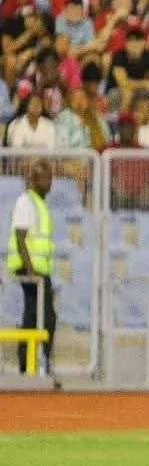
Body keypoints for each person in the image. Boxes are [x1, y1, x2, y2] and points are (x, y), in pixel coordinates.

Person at [5, 162, 58, 386]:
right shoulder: (26, 202)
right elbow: (20, 236)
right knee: (44, 317)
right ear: (34, 180)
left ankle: (31, 366)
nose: (49, 183)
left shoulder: (40, 203)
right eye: (45, 178)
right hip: (31, 270)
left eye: (50, 178)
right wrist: (30, 270)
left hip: (40, 269)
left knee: (35, 316)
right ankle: (37, 365)